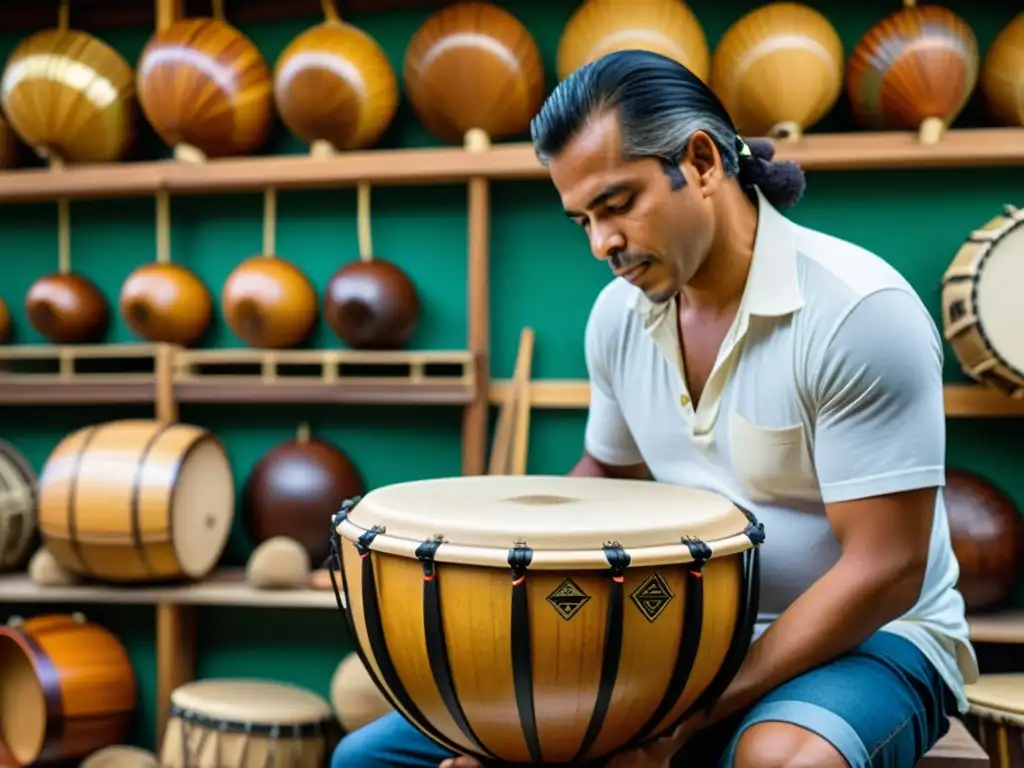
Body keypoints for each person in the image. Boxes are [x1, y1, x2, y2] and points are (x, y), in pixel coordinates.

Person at [331, 49, 978, 768]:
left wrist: (679, 714)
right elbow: (601, 479)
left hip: (873, 639)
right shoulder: (618, 317)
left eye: (616, 205)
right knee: (371, 759)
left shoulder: (857, 312)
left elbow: (887, 569)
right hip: (670, 635)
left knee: (780, 764)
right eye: (581, 220)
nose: (602, 243)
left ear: (701, 162)